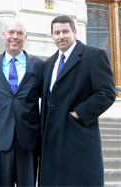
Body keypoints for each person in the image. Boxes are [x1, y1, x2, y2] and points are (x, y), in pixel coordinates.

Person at [39, 15, 116, 186]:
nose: (61, 36)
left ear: (74, 31)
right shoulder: (49, 63)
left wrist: (78, 114)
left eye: (65, 31)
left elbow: (107, 93)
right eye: (57, 32)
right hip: (53, 139)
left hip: (79, 137)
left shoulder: (94, 55)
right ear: (52, 35)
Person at [0, 19, 45, 186]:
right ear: (4, 35)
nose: (14, 37)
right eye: (11, 32)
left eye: (19, 33)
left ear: (25, 36)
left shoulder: (39, 66)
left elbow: (47, 97)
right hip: (0, 136)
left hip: (29, 136)